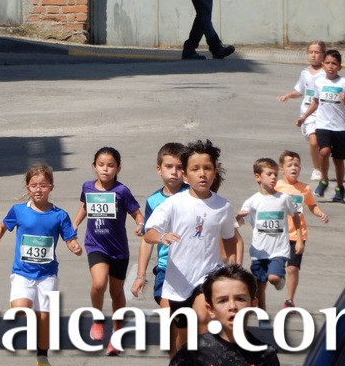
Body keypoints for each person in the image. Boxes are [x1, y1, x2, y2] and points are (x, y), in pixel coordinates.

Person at [0, 163, 82, 366]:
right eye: (34, 185)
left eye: (43, 185)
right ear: (28, 188)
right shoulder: (19, 211)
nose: (38, 189)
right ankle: (22, 305)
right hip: (23, 273)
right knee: (22, 309)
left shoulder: (59, 215)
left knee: (44, 318)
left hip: (47, 275)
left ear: (51, 187)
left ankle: (42, 356)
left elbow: (69, 238)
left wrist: (74, 247)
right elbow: (1, 227)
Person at [143, 139, 238, 358]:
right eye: (195, 169)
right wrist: (162, 236)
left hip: (208, 277)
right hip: (178, 282)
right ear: (185, 175)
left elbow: (230, 239)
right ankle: (179, 360)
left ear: (215, 172)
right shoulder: (174, 203)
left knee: (203, 317)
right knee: (182, 334)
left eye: (207, 168)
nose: (202, 174)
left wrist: (231, 268)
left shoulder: (223, 206)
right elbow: (149, 233)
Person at [72, 147, 144, 356]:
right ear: (94, 167)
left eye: (110, 165)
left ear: (118, 168)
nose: (105, 169)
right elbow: (85, 205)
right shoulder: (87, 187)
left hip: (118, 249)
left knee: (116, 292)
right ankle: (97, 318)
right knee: (99, 283)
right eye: (101, 165)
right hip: (96, 245)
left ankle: (117, 334)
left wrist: (140, 224)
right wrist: (75, 223)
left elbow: (136, 213)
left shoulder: (122, 191)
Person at [132, 142, 187, 353]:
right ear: (159, 169)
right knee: (168, 317)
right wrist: (140, 275)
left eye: (179, 167)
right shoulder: (154, 201)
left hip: (191, 268)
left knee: (185, 326)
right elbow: (147, 239)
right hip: (166, 267)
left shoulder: (192, 195)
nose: (174, 172)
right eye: (169, 166)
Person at [169, 264, 280, 366]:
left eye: (240, 299)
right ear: (210, 309)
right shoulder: (193, 353)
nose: (232, 306)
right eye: (223, 301)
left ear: (253, 304)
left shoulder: (265, 355)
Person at [236, 158, 303, 312]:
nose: (273, 177)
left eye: (275, 174)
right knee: (259, 287)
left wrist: (299, 239)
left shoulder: (284, 199)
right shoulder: (252, 201)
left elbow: (296, 216)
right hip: (259, 251)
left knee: (273, 278)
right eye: (269, 174)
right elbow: (239, 224)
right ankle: (263, 315)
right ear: (258, 177)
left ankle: (280, 278)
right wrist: (238, 217)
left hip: (279, 250)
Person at [296, 49, 345, 202]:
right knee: (324, 151)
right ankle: (324, 180)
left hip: (340, 127)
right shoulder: (319, 82)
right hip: (322, 125)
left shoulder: (344, 83)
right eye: (327, 63)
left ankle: (340, 187)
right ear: (323, 65)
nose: (330, 66)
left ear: (339, 67)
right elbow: (315, 102)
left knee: (338, 160)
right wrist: (303, 117)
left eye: (334, 64)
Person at [274, 150, 329, 308]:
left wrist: (320, 213)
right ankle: (278, 276)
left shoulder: (305, 188)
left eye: (297, 165)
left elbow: (311, 205)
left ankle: (289, 299)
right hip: (277, 233)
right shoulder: (276, 186)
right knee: (276, 271)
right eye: (289, 165)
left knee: (293, 268)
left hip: (297, 234)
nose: (294, 168)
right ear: (281, 169)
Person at [277, 41, 326, 182]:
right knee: (313, 142)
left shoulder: (326, 73)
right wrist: (288, 95)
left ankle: (324, 167)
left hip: (324, 113)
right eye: (311, 52)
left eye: (317, 52)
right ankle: (316, 169)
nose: (313, 55)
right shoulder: (305, 73)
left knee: (324, 147)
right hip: (308, 114)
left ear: (323, 54)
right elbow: (299, 91)